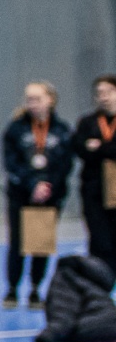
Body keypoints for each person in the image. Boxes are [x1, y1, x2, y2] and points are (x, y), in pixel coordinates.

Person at [2, 81, 73, 308]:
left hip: (50, 196)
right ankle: (12, 289)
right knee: (18, 242)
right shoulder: (16, 129)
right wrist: (33, 184)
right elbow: (11, 163)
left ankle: (35, 289)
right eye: (29, 99)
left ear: (50, 100)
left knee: (41, 243)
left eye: (37, 99)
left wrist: (47, 186)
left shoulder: (61, 130)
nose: (32, 104)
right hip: (21, 194)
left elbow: (65, 164)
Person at [70, 75, 116, 268]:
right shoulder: (87, 122)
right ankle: (99, 280)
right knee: (99, 240)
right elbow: (79, 148)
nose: (103, 97)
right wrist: (107, 149)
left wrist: (100, 147)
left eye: (109, 92)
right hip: (94, 190)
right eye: (99, 93)